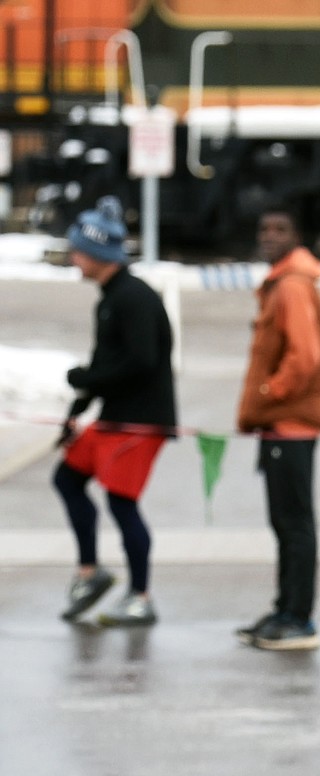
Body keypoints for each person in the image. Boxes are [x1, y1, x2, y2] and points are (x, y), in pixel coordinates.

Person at [54, 196, 175, 628]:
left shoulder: (133, 298)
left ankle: (141, 596)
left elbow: (142, 361)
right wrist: (78, 408)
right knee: (67, 478)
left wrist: (88, 381)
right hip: (114, 415)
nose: (72, 258)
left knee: (122, 503)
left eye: (77, 250)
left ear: (96, 252)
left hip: (140, 420)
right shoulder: (109, 296)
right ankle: (90, 572)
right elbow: (105, 361)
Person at [235, 205, 320, 652]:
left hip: (290, 426)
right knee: (285, 522)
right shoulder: (281, 282)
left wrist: (270, 392)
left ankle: (299, 617)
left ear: (297, 236)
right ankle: (285, 608)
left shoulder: (291, 286)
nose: (269, 236)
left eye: (280, 229)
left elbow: (304, 357)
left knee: (294, 524)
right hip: (279, 428)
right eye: (263, 228)